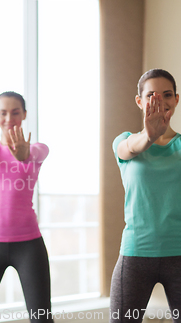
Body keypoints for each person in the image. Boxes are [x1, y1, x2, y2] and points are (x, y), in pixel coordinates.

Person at [0, 91, 53, 323]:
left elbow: (34, 153)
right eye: (3, 112)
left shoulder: (38, 150)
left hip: (29, 246)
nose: (9, 118)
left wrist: (23, 155)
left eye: (15, 112)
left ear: (24, 115)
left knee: (42, 318)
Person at [110, 69, 181, 323]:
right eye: (151, 95)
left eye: (167, 94)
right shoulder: (125, 141)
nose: (159, 101)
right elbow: (129, 149)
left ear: (176, 100)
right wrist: (149, 136)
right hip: (136, 254)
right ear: (140, 102)